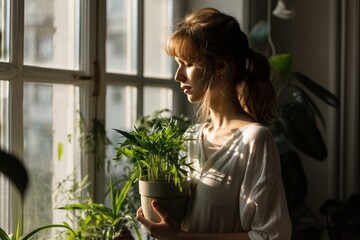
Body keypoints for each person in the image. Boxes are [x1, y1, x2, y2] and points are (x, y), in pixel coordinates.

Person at [136, 7, 292, 240]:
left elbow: (270, 235)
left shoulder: (254, 140)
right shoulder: (191, 137)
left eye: (187, 63)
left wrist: (179, 237)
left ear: (220, 67)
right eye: (178, 63)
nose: (178, 76)